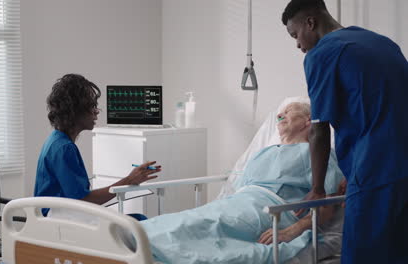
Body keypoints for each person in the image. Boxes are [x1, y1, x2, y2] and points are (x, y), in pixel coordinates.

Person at [138, 102, 345, 263]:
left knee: (210, 225)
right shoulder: (262, 153)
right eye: (279, 113)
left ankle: (143, 245)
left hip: (271, 213)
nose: (280, 115)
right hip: (237, 204)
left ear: (308, 120)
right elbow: (238, 191)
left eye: (289, 111)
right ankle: (139, 237)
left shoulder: (319, 156)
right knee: (191, 219)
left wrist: (294, 230)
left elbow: (325, 206)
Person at [281, 0, 408, 263]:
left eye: (296, 35)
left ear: (311, 23)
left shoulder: (321, 54)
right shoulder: (383, 43)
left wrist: (317, 189)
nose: (297, 45)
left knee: (362, 253)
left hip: (376, 169)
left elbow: (318, 129)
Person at [34, 74, 161, 219]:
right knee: (139, 221)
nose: (96, 112)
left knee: (136, 220)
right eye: (91, 106)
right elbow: (84, 200)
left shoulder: (56, 141)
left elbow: (77, 195)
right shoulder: (64, 148)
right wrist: (128, 181)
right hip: (61, 219)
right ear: (75, 111)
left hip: (60, 214)